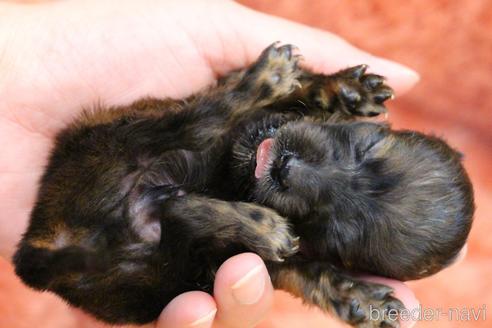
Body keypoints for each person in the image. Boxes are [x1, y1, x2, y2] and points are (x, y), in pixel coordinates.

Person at [0, 1, 423, 327]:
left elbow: (290, 266)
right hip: (107, 169)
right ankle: (229, 114)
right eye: (363, 151)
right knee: (189, 135)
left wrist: (336, 291)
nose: (302, 169)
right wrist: (325, 89)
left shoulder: (292, 240)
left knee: (240, 271)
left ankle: (211, 184)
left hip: (125, 265)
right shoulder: (298, 116)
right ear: (377, 126)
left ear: (345, 259)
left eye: (343, 223)